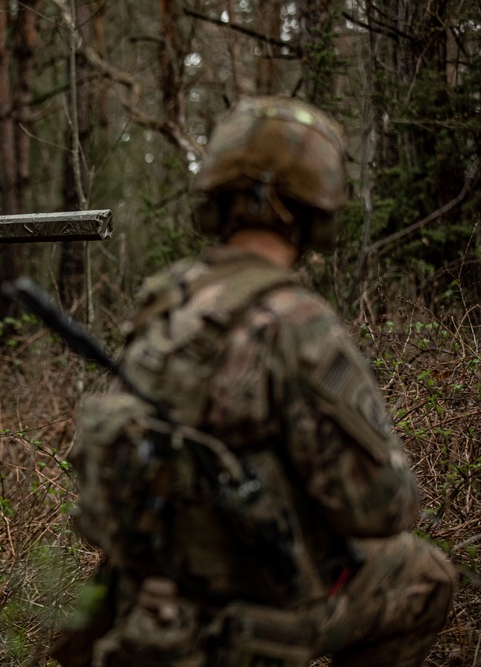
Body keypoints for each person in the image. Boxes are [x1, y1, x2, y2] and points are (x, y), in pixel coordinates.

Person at [52, 97, 457, 667]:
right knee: (426, 574)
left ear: (214, 199)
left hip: (151, 603)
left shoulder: (164, 301)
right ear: (316, 206)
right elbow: (383, 510)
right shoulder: (296, 321)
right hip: (245, 618)